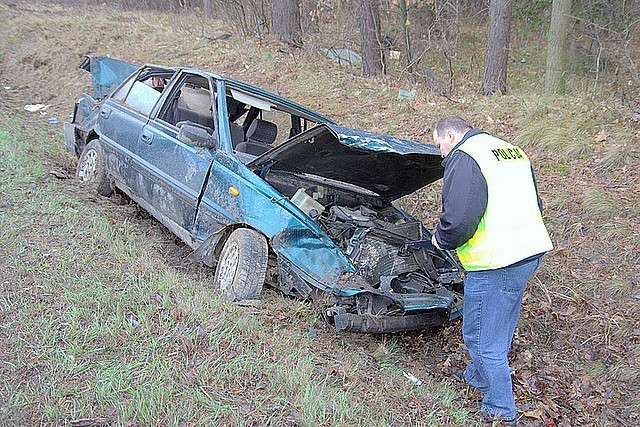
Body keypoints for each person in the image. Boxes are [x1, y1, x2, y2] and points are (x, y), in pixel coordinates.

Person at [430, 116, 553, 425]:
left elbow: (459, 218)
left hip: (496, 261)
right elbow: (535, 203)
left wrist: (441, 239)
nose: (440, 153)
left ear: (450, 135)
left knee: (481, 338)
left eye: (439, 145)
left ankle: (500, 409)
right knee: (501, 324)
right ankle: (478, 376)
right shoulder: (510, 151)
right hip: (528, 251)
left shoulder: (466, 156)